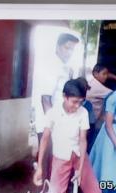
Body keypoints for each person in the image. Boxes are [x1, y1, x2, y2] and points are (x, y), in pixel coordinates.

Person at [34, 79, 102, 193]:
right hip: (61, 157)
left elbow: (82, 140)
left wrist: (80, 169)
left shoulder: (83, 112)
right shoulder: (53, 113)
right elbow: (44, 140)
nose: (77, 106)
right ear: (64, 96)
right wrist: (39, 167)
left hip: (79, 155)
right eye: (74, 102)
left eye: (80, 102)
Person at [32, 31, 79, 180]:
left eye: (72, 49)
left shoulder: (62, 66)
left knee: (54, 164)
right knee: (49, 164)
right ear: (58, 47)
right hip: (50, 124)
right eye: (67, 48)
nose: (69, 52)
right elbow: (46, 98)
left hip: (58, 121)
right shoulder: (51, 66)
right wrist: (53, 125)